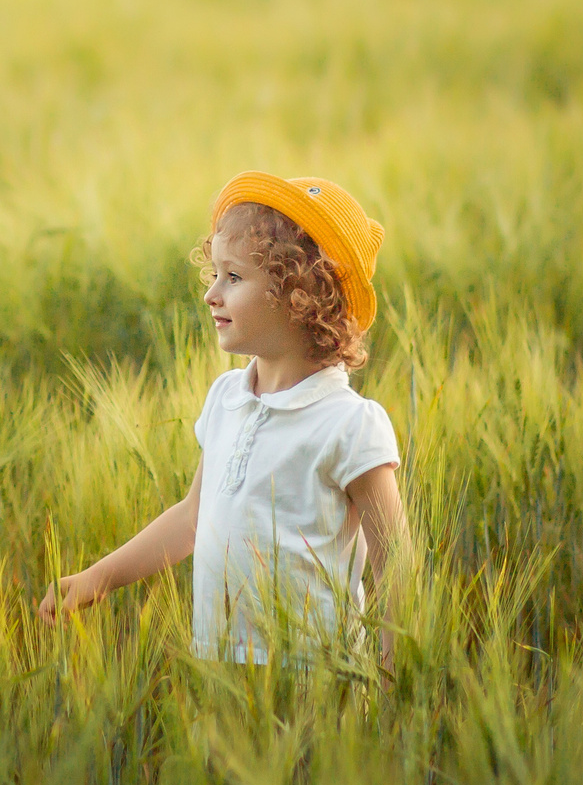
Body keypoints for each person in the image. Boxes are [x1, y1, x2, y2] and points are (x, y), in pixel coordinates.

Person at [38, 172, 407, 666]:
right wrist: (98, 577)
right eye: (214, 275)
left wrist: (390, 675)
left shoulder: (349, 425)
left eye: (233, 278)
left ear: (300, 295)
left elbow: (396, 567)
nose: (212, 294)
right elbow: (193, 518)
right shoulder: (226, 399)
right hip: (223, 666)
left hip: (319, 677)